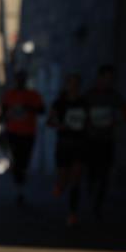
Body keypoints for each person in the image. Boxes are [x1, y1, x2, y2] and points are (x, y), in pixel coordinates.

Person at [84, 64, 126, 219]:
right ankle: (91, 187)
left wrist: (118, 121)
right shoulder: (90, 96)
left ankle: (98, 204)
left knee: (105, 173)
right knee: (92, 170)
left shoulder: (114, 96)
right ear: (99, 78)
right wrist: (87, 123)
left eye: (110, 79)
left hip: (107, 140)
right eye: (105, 78)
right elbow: (79, 113)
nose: (108, 82)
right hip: (91, 140)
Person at [48, 74, 89, 225]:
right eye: (70, 83)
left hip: (79, 143)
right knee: (63, 177)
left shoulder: (84, 103)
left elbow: (90, 121)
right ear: (66, 85)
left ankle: (73, 213)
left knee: (76, 179)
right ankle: (60, 185)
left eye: (76, 83)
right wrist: (60, 125)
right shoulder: (60, 103)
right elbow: (49, 121)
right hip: (64, 143)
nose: (73, 87)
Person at [1, 70, 45, 204]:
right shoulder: (9, 95)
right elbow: (3, 112)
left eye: (22, 78)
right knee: (16, 159)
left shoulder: (33, 95)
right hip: (13, 132)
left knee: (24, 160)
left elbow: (42, 110)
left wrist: (29, 108)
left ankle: (21, 182)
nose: (20, 81)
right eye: (18, 78)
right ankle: (18, 186)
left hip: (28, 132)